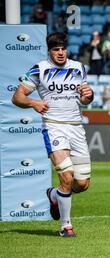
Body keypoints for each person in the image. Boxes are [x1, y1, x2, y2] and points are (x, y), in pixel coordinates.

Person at [11, 32, 94, 237]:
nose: (60, 52)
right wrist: (33, 103)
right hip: (54, 127)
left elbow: (84, 100)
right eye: (56, 49)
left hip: (76, 127)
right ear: (49, 51)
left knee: (82, 184)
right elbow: (17, 96)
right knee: (66, 177)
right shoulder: (40, 69)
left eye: (63, 48)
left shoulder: (78, 68)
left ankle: (54, 195)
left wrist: (88, 97)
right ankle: (66, 226)